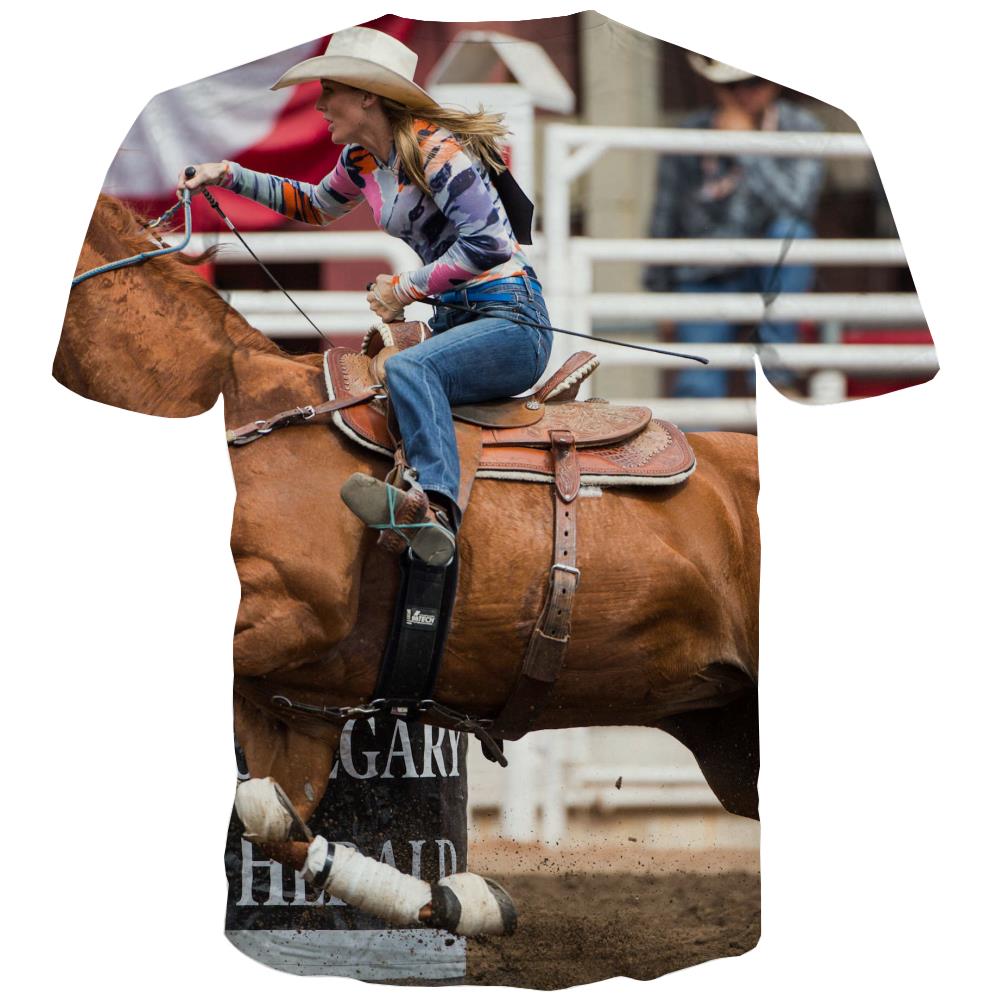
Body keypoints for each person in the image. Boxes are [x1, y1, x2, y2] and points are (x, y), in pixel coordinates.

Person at [179, 27, 552, 567]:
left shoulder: (437, 150)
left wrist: (403, 288)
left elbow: (491, 244)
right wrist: (229, 175)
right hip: (462, 321)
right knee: (377, 379)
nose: (320, 105)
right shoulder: (363, 160)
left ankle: (436, 510)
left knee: (408, 369)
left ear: (367, 97)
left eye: (330, 91)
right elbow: (314, 205)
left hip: (511, 320)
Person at [644, 53, 827, 398]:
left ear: (772, 84)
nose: (745, 93)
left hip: (771, 272)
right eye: (732, 85)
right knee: (697, 387)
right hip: (705, 274)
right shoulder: (691, 132)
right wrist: (660, 294)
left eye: (754, 82)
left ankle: (775, 375)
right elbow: (665, 216)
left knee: (792, 231)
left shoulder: (801, 127)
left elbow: (797, 206)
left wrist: (746, 145)